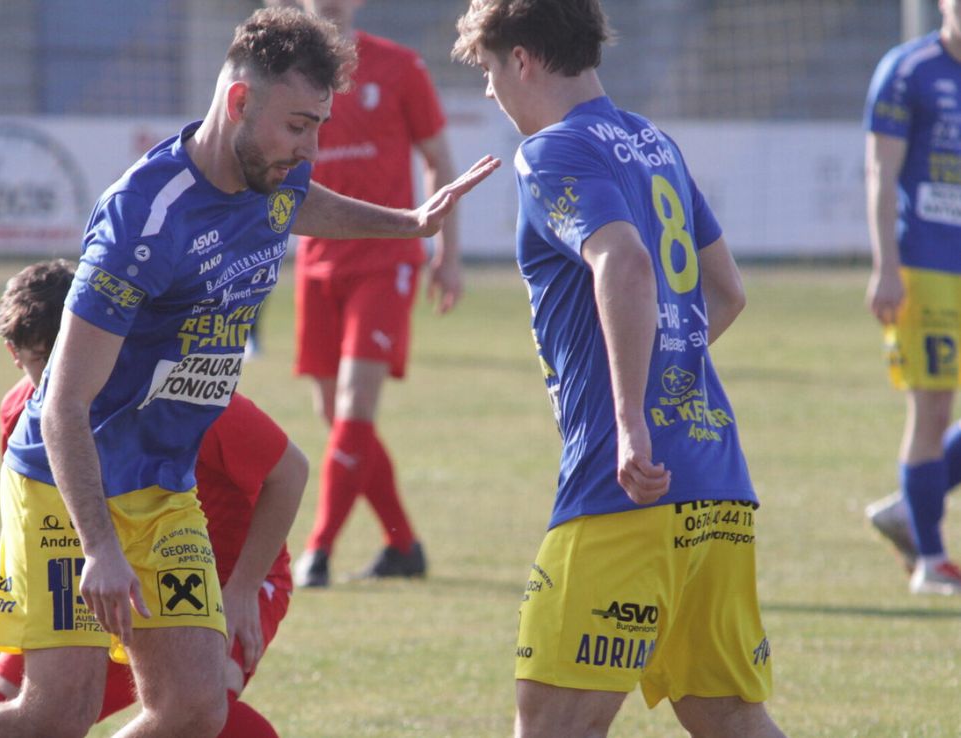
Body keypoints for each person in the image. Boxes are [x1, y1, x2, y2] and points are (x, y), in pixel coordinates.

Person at [0, 7, 497, 737]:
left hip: (164, 486)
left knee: (194, 710)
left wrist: (409, 223)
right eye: (299, 125)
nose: (310, 148)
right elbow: (63, 403)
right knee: (58, 712)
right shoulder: (144, 219)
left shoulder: (270, 182)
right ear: (239, 101)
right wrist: (100, 549)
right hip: (69, 486)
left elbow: (303, 206)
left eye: (320, 126)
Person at [452, 2, 786, 736]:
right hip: (717, 488)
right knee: (729, 717)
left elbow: (626, 262)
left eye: (486, 70)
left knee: (550, 723)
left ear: (523, 60)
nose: (487, 92)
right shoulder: (652, 141)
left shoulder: (550, 152)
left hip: (624, 492)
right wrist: (667, 369)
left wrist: (631, 419)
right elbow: (725, 290)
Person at [0, 260, 305, 738]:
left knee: (201, 709)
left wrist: (243, 588)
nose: (55, 376)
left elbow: (290, 473)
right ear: (14, 355)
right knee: (18, 704)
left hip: (228, 570)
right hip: (106, 562)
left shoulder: (175, 397)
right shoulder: (24, 416)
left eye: (65, 354)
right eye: (40, 360)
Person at [289, 0, 463, 588]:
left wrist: (449, 255)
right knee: (333, 415)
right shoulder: (290, 70)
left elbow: (440, 160)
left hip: (386, 260)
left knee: (353, 408)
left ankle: (317, 550)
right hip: (316, 261)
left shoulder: (399, 67)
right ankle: (404, 547)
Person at [862, 0, 961, 596]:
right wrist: (886, 266)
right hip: (925, 266)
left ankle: (909, 506)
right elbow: (880, 171)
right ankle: (931, 559)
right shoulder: (907, 70)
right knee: (933, 411)